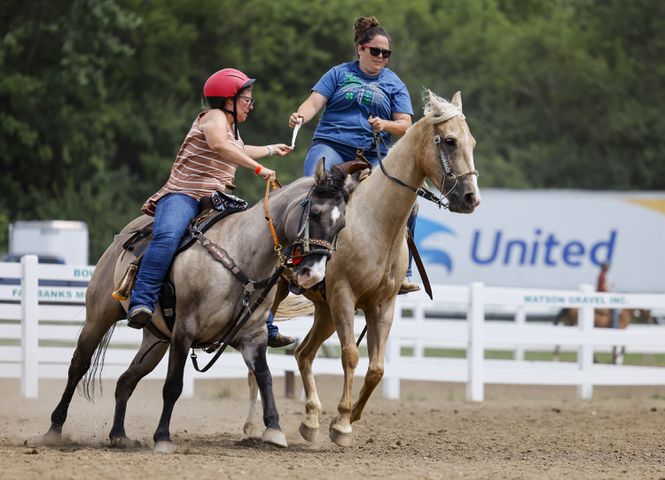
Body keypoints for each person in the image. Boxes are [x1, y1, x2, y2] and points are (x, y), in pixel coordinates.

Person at [127, 67, 296, 347]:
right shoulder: (214, 117)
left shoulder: (230, 127)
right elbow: (219, 146)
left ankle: (263, 322)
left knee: (254, 245)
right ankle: (141, 301)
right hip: (185, 194)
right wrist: (258, 169)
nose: (250, 106)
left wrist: (270, 149)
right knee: (167, 236)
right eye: (246, 100)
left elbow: (237, 147)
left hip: (218, 198)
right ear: (228, 100)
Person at [288, 15, 420, 293]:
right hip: (332, 145)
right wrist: (300, 116)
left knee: (410, 201)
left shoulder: (394, 84)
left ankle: (402, 271)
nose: (381, 57)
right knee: (313, 190)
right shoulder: (338, 74)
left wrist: (385, 125)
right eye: (376, 51)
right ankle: (295, 260)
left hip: (373, 154)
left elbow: (406, 125)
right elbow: (314, 102)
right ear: (360, 48)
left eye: (386, 53)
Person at [597, 262, 619, 328]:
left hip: (601, 294)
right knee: (614, 307)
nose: (608, 269)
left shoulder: (602, 275)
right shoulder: (602, 276)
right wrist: (609, 292)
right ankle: (614, 325)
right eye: (607, 267)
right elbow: (603, 288)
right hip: (602, 295)